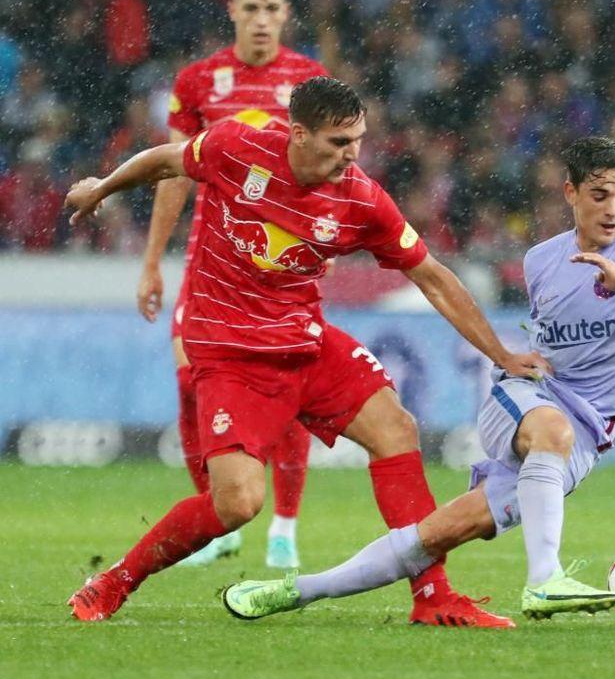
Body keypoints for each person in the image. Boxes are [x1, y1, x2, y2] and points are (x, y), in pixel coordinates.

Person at [64, 76, 546, 628]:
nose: (352, 154)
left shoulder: (361, 200)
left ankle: (432, 596)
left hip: (305, 343)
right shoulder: (235, 148)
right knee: (238, 505)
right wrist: (102, 187)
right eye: (339, 142)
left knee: (396, 429)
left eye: (358, 139)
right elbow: (166, 160)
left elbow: (432, 277)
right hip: (229, 353)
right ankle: (114, 580)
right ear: (297, 134)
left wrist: (502, 354)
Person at [218, 136, 615, 622]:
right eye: (599, 195)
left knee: (433, 536)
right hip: (525, 397)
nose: (612, 209)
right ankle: (545, 578)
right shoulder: (541, 259)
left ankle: (292, 592)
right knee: (551, 430)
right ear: (570, 193)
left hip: (587, 435)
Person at [138, 0, 328, 570]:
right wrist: (151, 260)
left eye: (272, 8)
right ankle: (216, 519)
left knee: (290, 394)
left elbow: (331, 170)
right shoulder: (197, 81)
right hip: (210, 262)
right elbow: (173, 172)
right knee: (191, 384)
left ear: (286, 12)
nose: (262, 19)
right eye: (251, 8)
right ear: (233, 12)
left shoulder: (309, 79)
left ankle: (285, 529)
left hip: (280, 263)